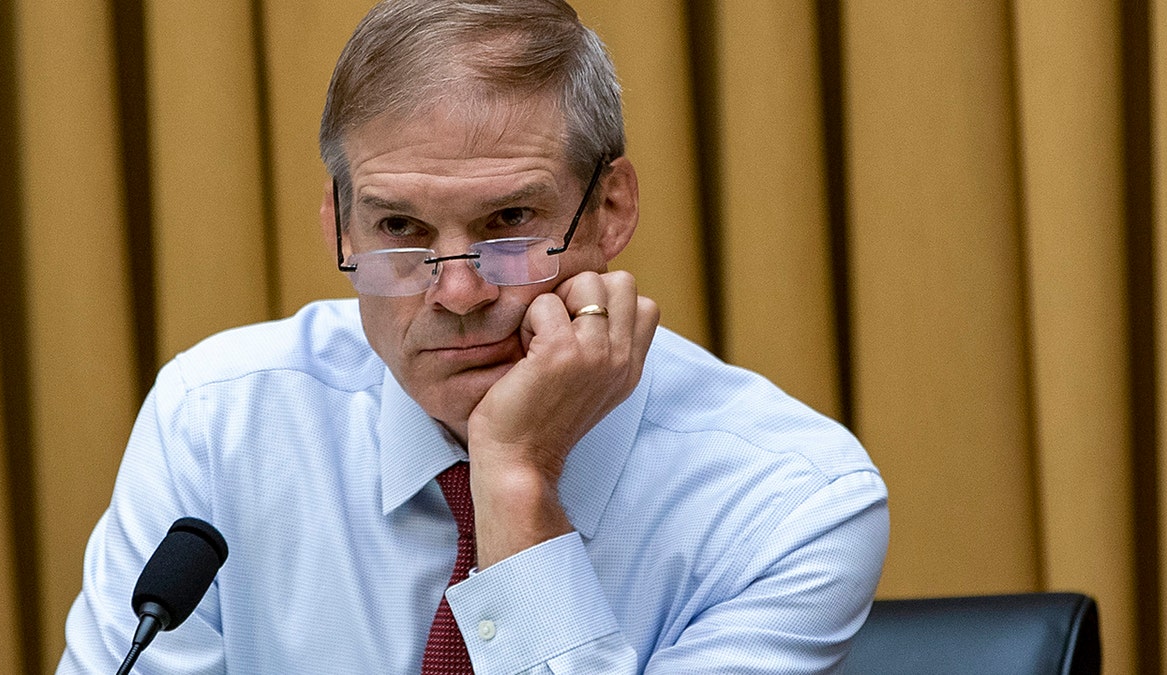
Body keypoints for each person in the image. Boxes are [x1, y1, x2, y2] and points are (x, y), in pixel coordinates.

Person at [59, 0, 888, 672]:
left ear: (611, 210)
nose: (456, 291)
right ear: (339, 226)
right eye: (400, 226)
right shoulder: (218, 423)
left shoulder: (793, 502)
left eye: (510, 220)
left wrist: (517, 480)